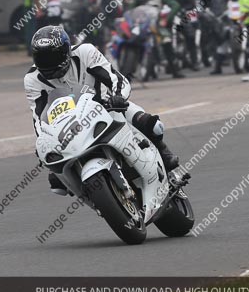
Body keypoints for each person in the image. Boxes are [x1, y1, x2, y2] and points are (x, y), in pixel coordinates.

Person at [24, 25, 189, 195]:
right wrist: (43, 140)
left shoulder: (85, 52)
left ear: (66, 51)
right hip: (68, 125)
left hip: (105, 106)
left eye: (53, 56)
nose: (48, 63)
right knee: (57, 179)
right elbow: (38, 117)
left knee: (150, 124)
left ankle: (164, 154)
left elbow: (116, 78)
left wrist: (118, 97)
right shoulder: (32, 79)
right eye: (42, 58)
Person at [126, 0, 184, 79]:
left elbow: (175, 5)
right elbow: (129, 9)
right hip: (141, 25)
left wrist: (166, 19)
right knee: (131, 40)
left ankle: (174, 70)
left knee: (167, 40)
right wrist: (132, 21)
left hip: (157, 23)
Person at [210, 0, 246, 76]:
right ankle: (218, 66)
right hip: (228, 12)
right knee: (223, 37)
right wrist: (220, 12)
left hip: (244, 9)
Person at [161, 0, 199, 71]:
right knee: (163, 36)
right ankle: (167, 62)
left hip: (181, 13)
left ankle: (194, 61)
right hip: (168, 13)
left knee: (190, 35)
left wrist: (183, 9)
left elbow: (191, 2)